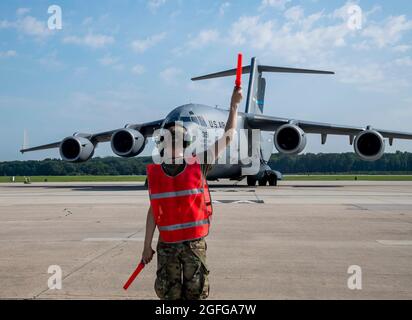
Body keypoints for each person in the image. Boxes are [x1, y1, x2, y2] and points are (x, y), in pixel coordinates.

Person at [141, 86, 243, 300]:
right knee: (190, 294)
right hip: (188, 246)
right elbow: (228, 137)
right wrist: (233, 105)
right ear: (187, 143)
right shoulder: (197, 166)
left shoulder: (161, 173)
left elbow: (152, 213)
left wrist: (147, 246)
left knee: (174, 295)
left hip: (170, 245)